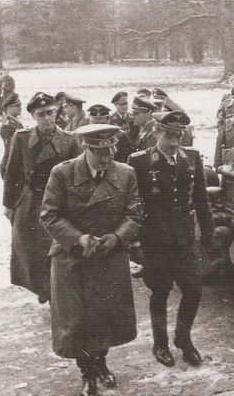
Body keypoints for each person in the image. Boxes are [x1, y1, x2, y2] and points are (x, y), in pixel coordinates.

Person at [40, 124, 141, 396]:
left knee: (105, 318)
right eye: (100, 153)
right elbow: (49, 215)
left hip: (109, 256)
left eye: (110, 152)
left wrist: (117, 238)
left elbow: (134, 215)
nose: (107, 159)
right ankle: (88, 373)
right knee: (77, 321)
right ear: (86, 148)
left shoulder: (126, 173)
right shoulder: (62, 173)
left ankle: (101, 363)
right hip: (72, 257)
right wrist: (80, 239)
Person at [127, 111, 216, 367]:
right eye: (169, 135)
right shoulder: (140, 161)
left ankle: (183, 339)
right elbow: (132, 205)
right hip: (155, 241)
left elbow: (201, 199)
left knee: (193, 289)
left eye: (179, 135)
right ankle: (160, 344)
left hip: (185, 239)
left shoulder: (192, 157)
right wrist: (135, 244)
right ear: (157, 132)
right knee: (160, 292)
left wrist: (209, 235)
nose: (175, 141)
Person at [3, 92, 81, 304]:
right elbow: (12, 173)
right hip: (30, 202)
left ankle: (54, 287)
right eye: (41, 114)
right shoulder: (21, 138)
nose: (46, 118)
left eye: (50, 113)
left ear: (56, 113)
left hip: (58, 202)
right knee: (30, 248)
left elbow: (77, 177)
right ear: (33, 116)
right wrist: (9, 204)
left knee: (58, 247)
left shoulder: (70, 140)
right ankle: (42, 286)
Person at [0, 93, 23, 180]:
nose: (20, 108)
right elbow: (11, 149)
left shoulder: (16, 123)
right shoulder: (7, 126)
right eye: (18, 105)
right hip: (10, 166)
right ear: (10, 108)